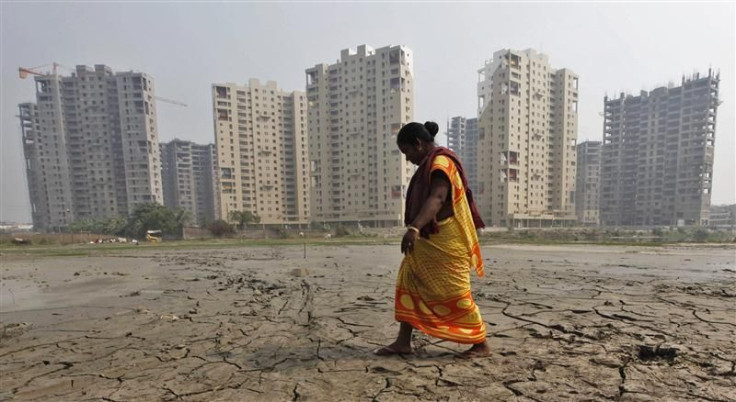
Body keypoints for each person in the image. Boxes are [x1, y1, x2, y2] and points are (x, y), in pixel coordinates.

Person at [375, 121, 490, 359]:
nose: (407, 159)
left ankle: (480, 344)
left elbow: (437, 198)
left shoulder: (441, 163)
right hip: (430, 241)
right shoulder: (431, 163)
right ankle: (403, 341)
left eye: (407, 152)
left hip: (447, 241)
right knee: (410, 280)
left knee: (456, 292)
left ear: (418, 144)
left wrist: (415, 228)